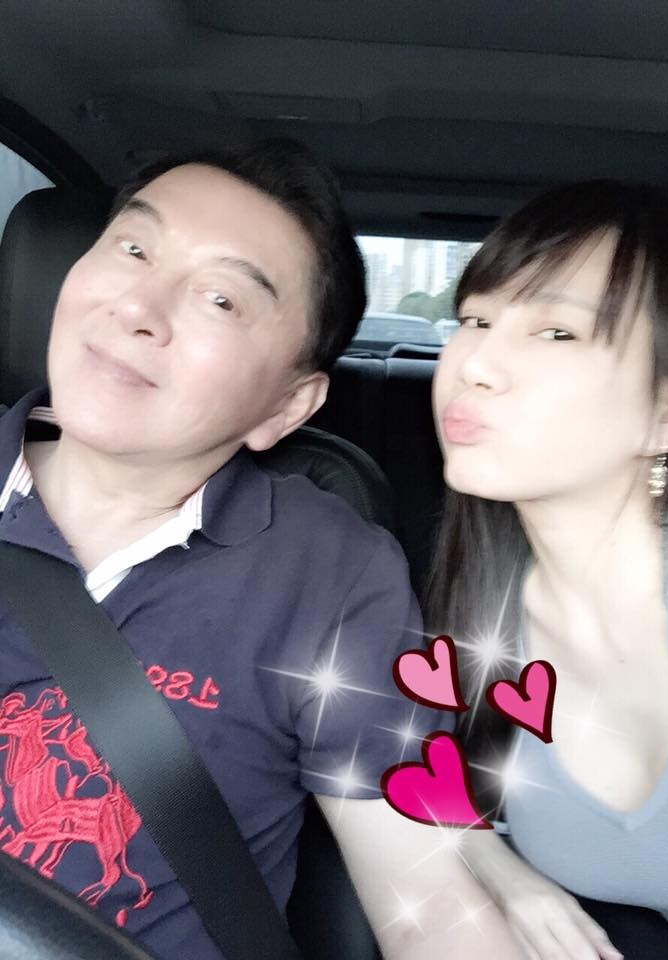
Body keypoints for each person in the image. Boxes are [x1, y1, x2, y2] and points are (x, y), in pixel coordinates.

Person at [0, 140, 524, 959]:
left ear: (287, 405)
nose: (139, 307)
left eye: (220, 299)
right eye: (133, 249)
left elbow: (424, 898)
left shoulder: (330, 573)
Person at [428, 179, 668, 960]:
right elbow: (440, 786)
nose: (475, 363)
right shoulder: (481, 616)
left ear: (667, 415)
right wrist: (505, 875)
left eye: (556, 332)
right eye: (474, 320)